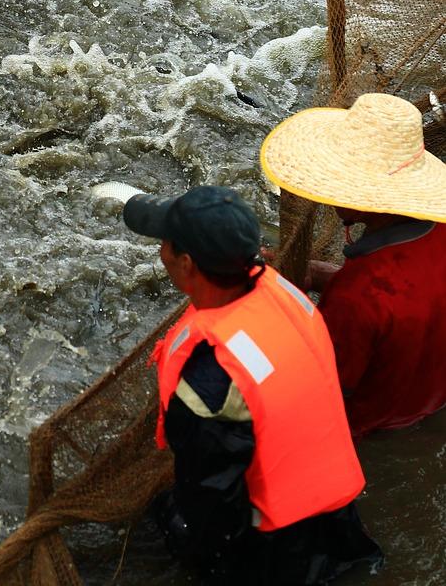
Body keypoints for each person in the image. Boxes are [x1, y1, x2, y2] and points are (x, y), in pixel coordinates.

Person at [121, 184, 382, 585]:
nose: (162, 253)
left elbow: (212, 503)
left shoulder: (208, 378)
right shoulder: (283, 293)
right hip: (339, 521)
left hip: (277, 547)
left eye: (166, 244)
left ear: (187, 263)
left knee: (163, 517)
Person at [260, 90, 446, 437]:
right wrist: (314, 273)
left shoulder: (356, 297)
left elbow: (321, 390)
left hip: (373, 424)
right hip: (431, 399)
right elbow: (407, 303)